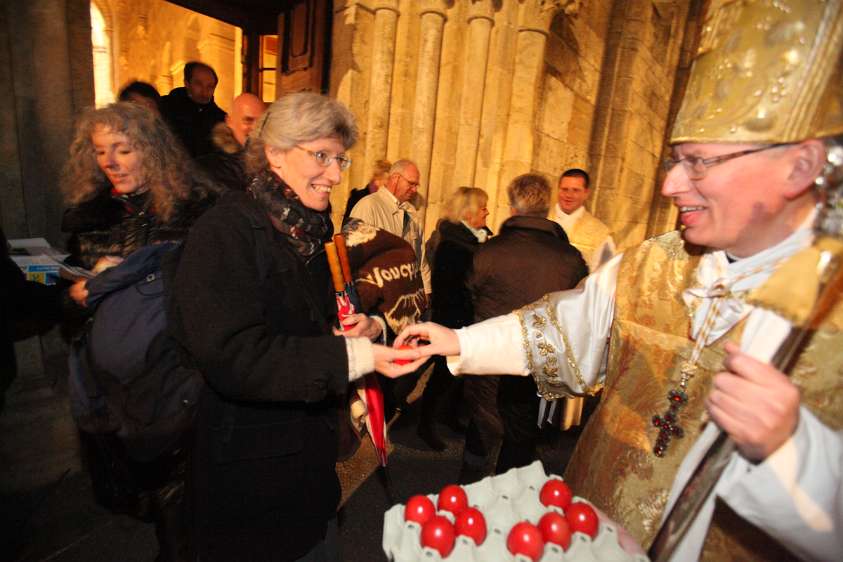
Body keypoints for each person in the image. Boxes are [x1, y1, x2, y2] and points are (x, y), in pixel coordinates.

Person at [396, 1, 843, 559]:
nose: (671, 185)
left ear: (799, 167)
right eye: (673, 161)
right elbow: (569, 327)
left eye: (700, 162)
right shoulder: (656, 261)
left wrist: (793, 450)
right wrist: (461, 340)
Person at [169, 92, 422, 561]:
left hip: (307, 470)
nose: (336, 173)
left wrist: (361, 328)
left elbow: (317, 321)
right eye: (321, 156)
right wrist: (349, 357)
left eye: (340, 158)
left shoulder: (311, 232)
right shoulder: (224, 231)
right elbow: (233, 355)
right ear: (275, 152)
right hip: (248, 484)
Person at [60, 101, 219, 562]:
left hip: (176, 372)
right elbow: (53, 280)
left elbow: (218, 288)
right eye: (100, 150)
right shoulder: (87, 215)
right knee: (144, 490)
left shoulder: (197, 206)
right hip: (115, 380)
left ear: (151, 149)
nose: (109, 161)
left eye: (122, 149)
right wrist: (74, 292)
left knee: (180, 494)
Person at [464, 174, 586, 479]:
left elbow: (470, 295)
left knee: (481, 429)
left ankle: (466, 502)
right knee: (520, 437)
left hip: (489, 357)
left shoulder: (488, 251)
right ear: (547, 207)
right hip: (536, 360)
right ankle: (506, 501)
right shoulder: (570, 259)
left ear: (513, 207)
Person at [417, 186, 491, 452]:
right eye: (483, 207)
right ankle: (425, 423)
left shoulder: (479, 239)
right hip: (453, 318)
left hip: (470, 318)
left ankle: (448, 416)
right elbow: (449, 285)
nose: (487, 212)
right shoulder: (452, 244)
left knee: (459, 372)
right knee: (442, 373)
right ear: (469, 213)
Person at [350, 159, 432, 296]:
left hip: (406, 299)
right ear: (395, 178)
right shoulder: (368, 206)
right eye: (411, 183)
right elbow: (354, 256)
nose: (415, 189)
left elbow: (420, 259)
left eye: (417, 185)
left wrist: (426, 292)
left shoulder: (411, 213)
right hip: (376, 299)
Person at [196, 92, 267, 191]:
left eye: (261, 122)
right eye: (248, 120)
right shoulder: (205, 170)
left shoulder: (274, 165)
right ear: (229, 121)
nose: (256, 128)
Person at [549, 168, 615, 272]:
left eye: (575, 190)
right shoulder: (542, 219)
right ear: (558, 190)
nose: (569, 195)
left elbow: (604, 275)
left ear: (586, 193)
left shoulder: (600, 233)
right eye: (564, 189)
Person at [160, 61, 226, 157]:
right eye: (198, 84)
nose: (204, 91)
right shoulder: (165, 107)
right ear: (187, 83)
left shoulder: (220, 119)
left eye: (210, 86)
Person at [342, 159, 391, 224]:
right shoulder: (356, 198)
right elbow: (347, 227)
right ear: (376, 181)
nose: (387, 189)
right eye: (385, 185)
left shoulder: (387, 202)